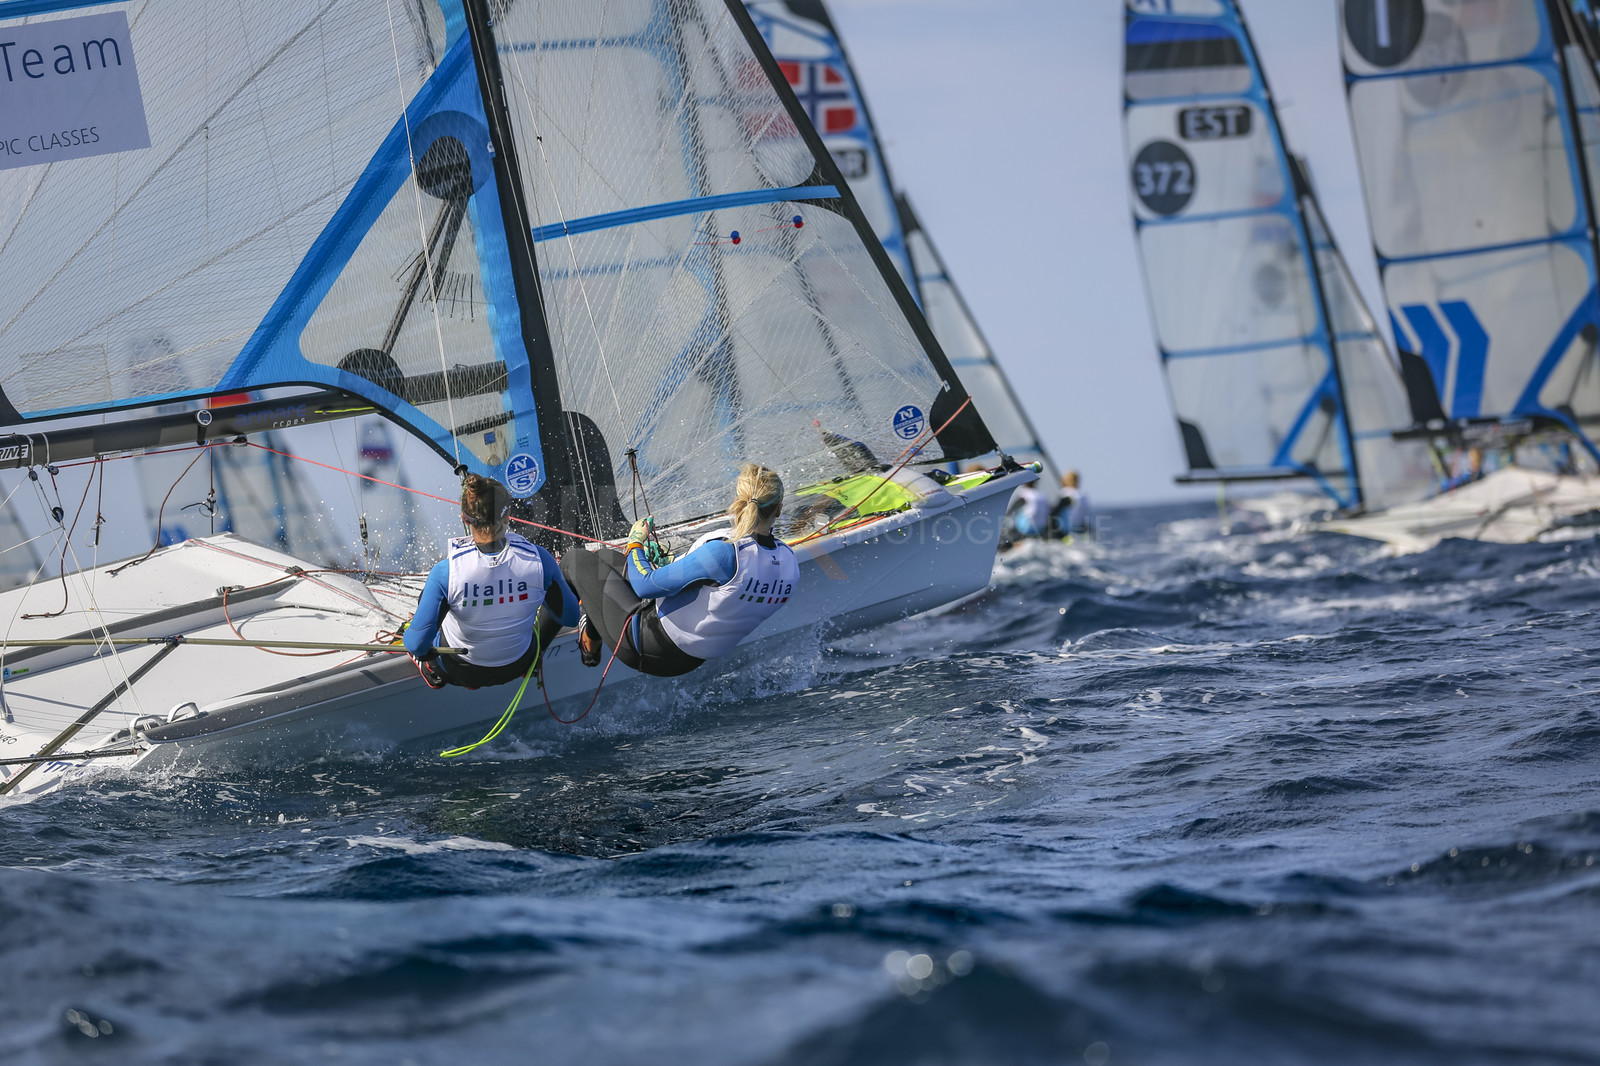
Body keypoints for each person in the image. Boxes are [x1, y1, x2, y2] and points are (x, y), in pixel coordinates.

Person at [561, 463, 798, 677]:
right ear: (778, 510)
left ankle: (533, 652)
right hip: (689, 660)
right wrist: (670, 560)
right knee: (605, 558)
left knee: (575, 560)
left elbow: (645, 586)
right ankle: (590, 642)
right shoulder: (789, 563)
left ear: (737, 503)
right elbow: (720, 590)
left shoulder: (725, 554)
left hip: (646, 643)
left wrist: (635, 544)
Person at [404, 474, 579, 689]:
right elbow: (570, 617)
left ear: (464, 518)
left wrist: (418, 642)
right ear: (508, 516)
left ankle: (432, 669)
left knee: (428, 602)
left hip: (460, 671)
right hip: (518, 663)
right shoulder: (540, 559)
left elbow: (416, 645)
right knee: (551, 587)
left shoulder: (445, 571)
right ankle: (536, 659)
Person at [1050, 469, 1091, 538]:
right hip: (1079, 531)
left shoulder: (1064, 493)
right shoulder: (1084, 496)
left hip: (1064, 531)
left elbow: (1054, 512)